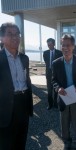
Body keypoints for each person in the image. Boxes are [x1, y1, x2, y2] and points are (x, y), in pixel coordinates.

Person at [52, 34, 76, 150]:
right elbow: (53, 80)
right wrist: (58, 88)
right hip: (63, 96)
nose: (65, 48)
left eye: (68, 45)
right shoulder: (56, 63)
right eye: (63, 45)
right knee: (64, 122)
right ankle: (66, 142)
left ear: (73, 46)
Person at [0, 22, 33, 150]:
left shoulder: (25, 58)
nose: (15, 37)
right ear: (2, 38)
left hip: (23, 104)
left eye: (17, 34)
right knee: (6, 145)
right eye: (10, 34)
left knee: (21, 141)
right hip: (5, 108)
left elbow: (26, 80)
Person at [43, 38, 62, 110]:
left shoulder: (59, 53)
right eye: (48, 45)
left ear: (54, 44)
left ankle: (55, 104)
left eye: (50, 44)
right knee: (49, 90)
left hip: (56, 75)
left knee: (56, 90)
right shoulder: (45, 53)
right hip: (48, 74)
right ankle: (50, 104)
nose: (49, 46)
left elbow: (60, 63)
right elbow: (46, 62)